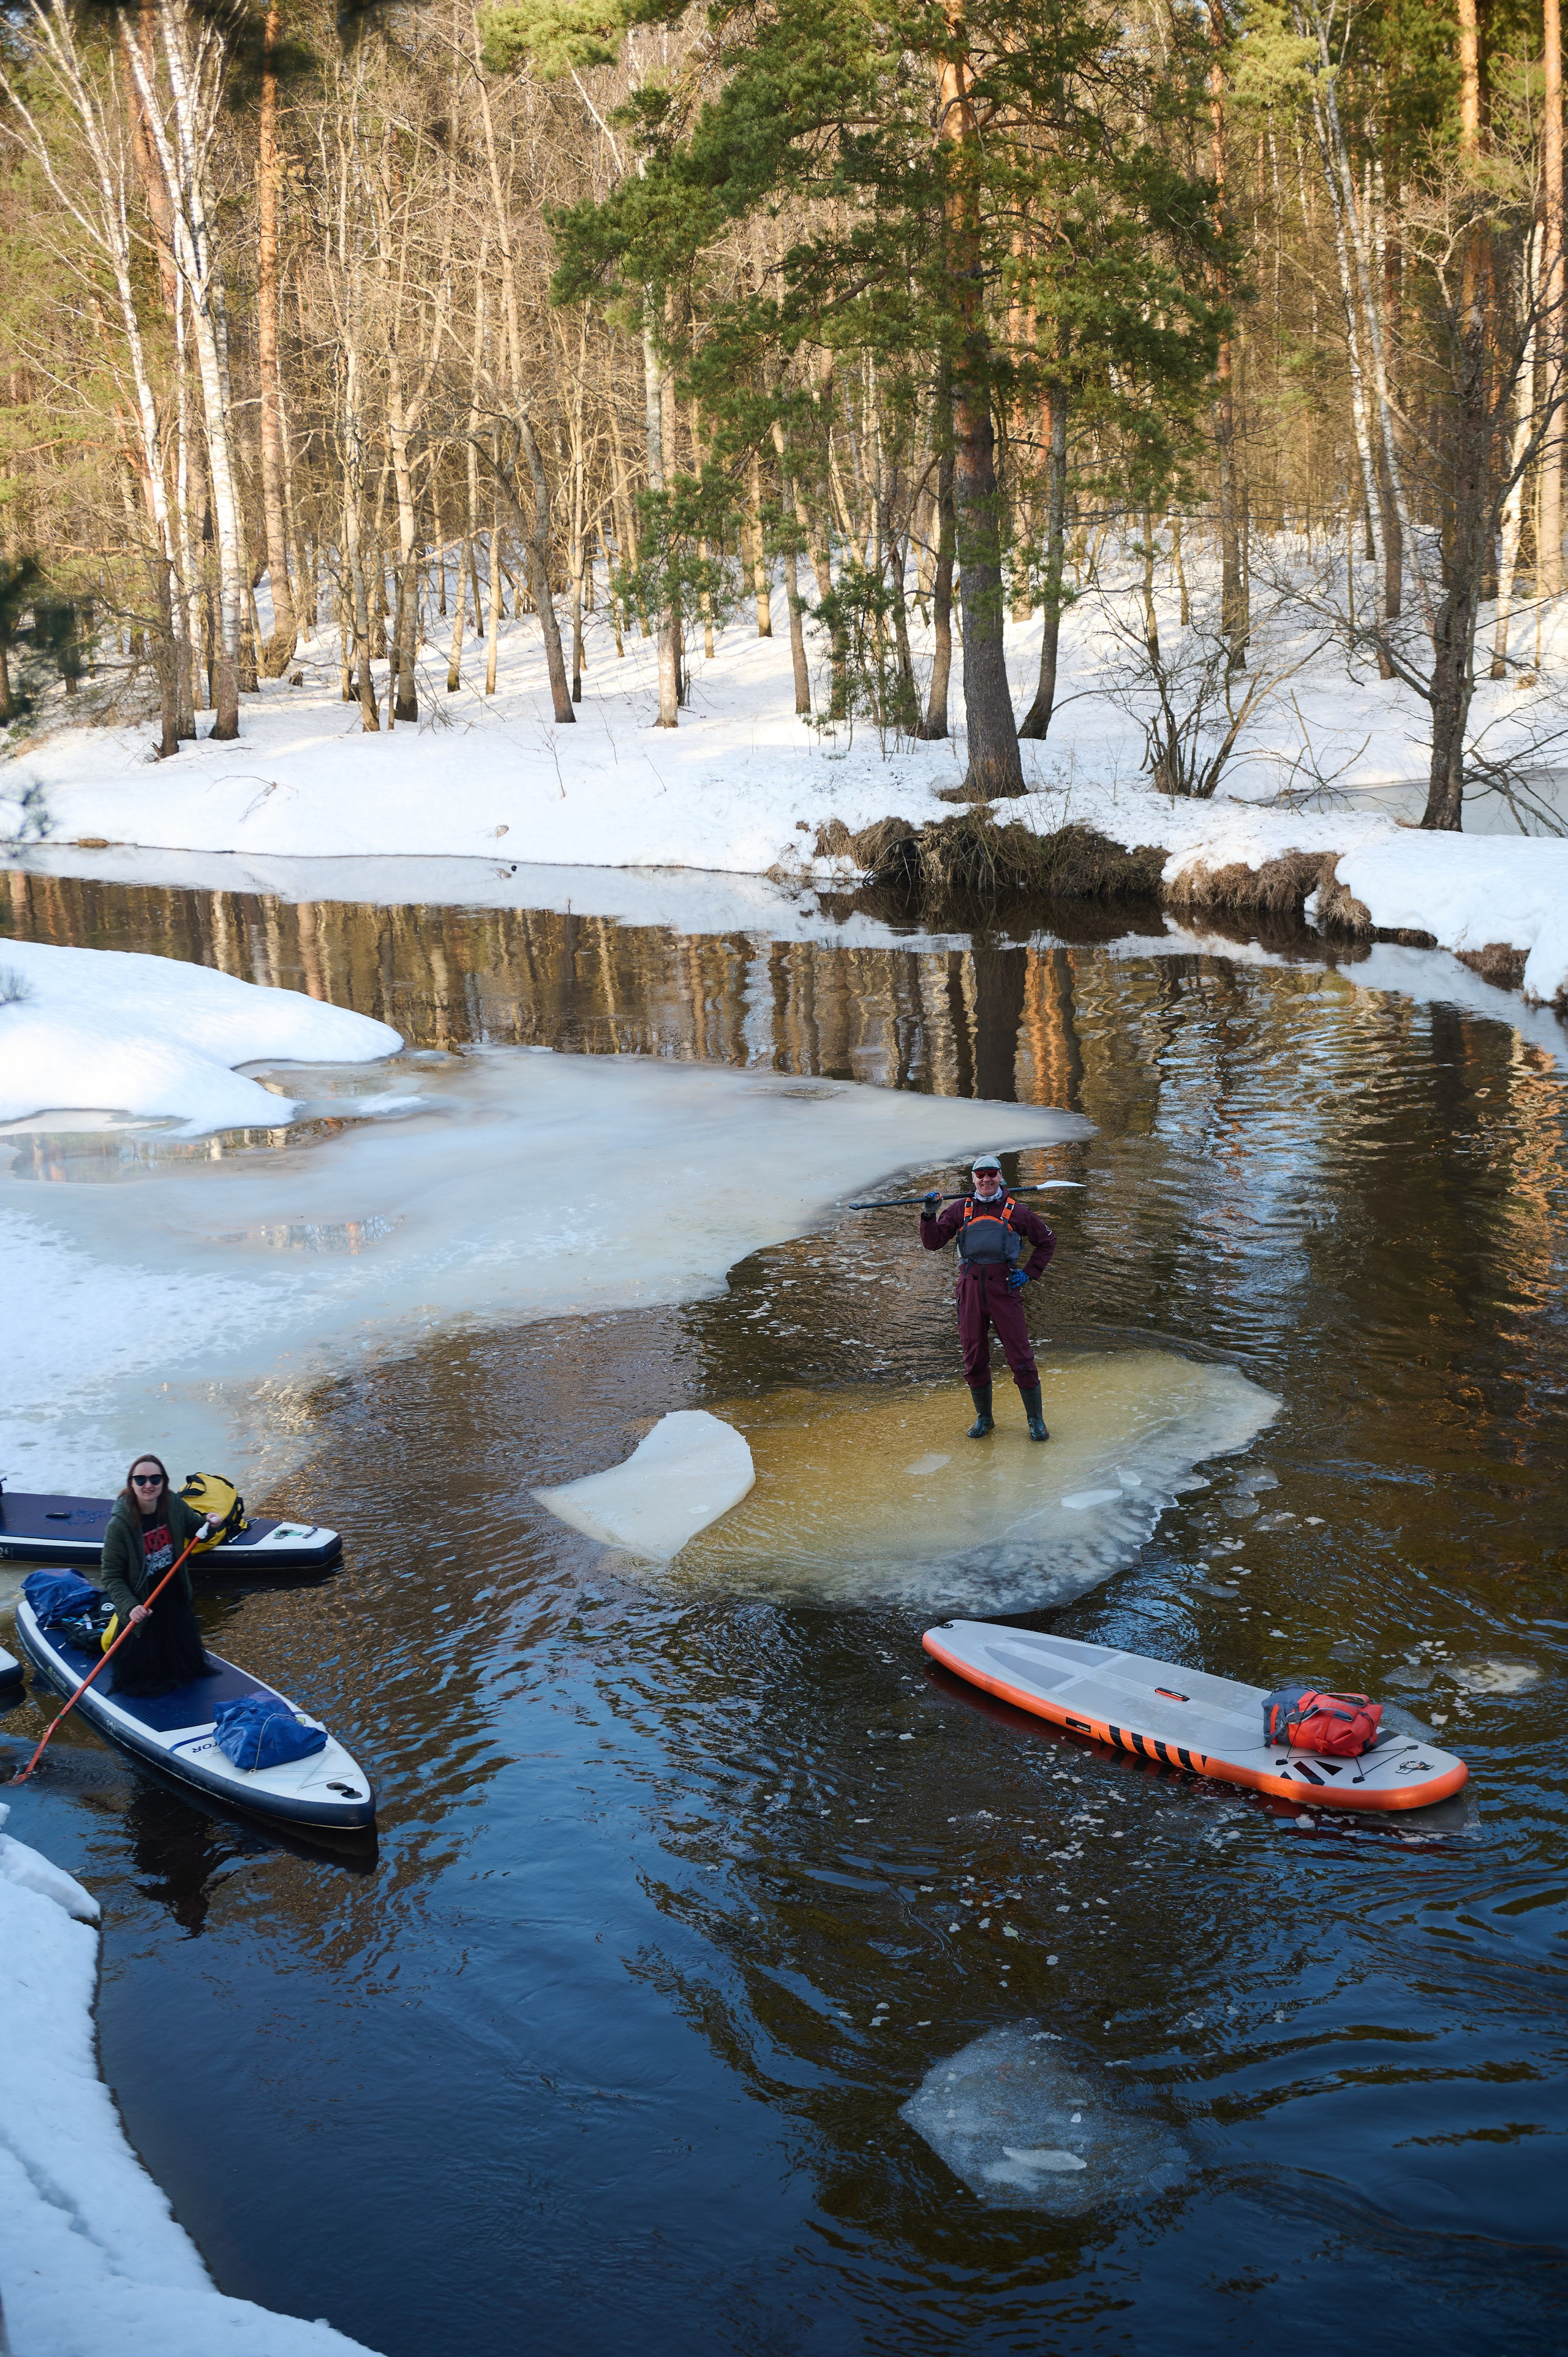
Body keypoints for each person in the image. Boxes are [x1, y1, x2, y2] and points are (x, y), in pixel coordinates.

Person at [920, 1154, 1055, 1440]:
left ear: (1000, 1177)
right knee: (974, 1358)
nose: (986, 1179)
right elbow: (932, 1243)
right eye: (980, 1175)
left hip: (1004, 1290)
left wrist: (1030, 1273)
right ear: (973, 1179)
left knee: (1021, 1358)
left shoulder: (1018, 1211)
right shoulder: (959, 1209)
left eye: (991, 1174)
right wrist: (929, 1215)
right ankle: (985, 1419)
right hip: (969, 1290)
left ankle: (1036, 1421)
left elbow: (1046, 1241)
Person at [100, 1456, 214, 1697]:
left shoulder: (173, 1504)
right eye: (140, 1479)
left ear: (164, 1482)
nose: (148, 1485)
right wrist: (130, 1607)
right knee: (149, 1683)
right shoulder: (119, 1525)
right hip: (145, 1610)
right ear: (131, 1483)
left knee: (186, 1673)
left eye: (155, 1479)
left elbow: (195, 1527)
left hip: (174, 1603)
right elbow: (111, 1576)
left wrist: (210, 1522)